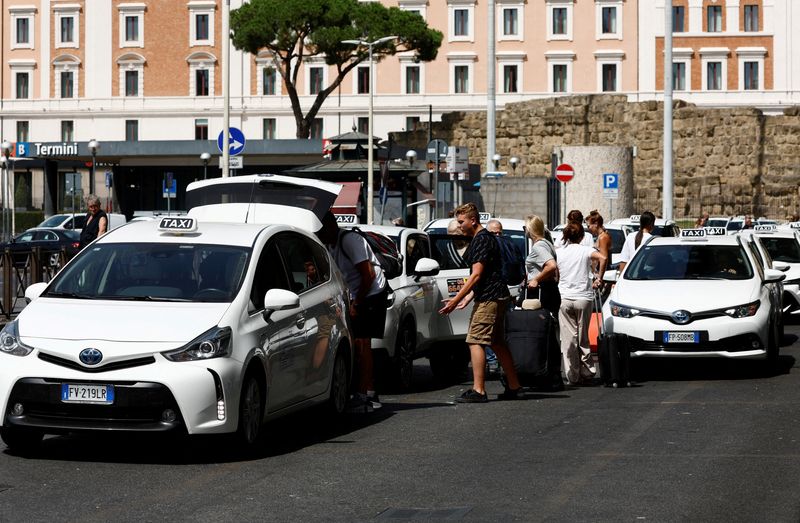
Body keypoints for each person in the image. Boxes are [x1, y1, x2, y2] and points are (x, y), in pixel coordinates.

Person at [439, 202, 523, 402]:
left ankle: (478, 390)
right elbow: (486, 274)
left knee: (475, 340)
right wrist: (467, 298)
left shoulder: (480, 240)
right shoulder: (485, 238)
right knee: (497, 342)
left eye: (461, 222)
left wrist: (455, 299)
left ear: (473, 220)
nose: (459, 226)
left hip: (490, 298)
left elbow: (476, 275)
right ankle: (515, 386)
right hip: (497, 295)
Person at [316, 211, 388, 412]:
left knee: (362, 343)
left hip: (371, 293)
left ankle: (365, 395)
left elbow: (368, 275)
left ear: (328, 228)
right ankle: (368, 392)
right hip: (357, 294)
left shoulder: (349, 240)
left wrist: (357, 303)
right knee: (358, 343)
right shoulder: (329, 244)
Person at [556, 222, 607, 385]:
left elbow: (555, 271)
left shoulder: (559, 252)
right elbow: (603, 257)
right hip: (583, 297)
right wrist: (599, 277)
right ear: (581, 237)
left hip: (564, 296)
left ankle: (573, 374)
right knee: (583, 336)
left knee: (568, 338)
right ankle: (588, 371)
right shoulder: (586, 250)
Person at [524, 214, 560, 316]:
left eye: (525, 228)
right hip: (550, 290)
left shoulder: (538, 246)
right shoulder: (548, 243)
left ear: (530, 229)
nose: (524, 231)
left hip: (540, 292)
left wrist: (536, 279)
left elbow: (552, 265)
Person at [586, 210, 611, 290]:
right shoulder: (600, 237)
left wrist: (599, 278)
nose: (588, 228)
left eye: (589, 226)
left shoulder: (603, 237)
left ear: (596, 224)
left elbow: (603, 258)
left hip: (599, 277)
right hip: (595, 274)